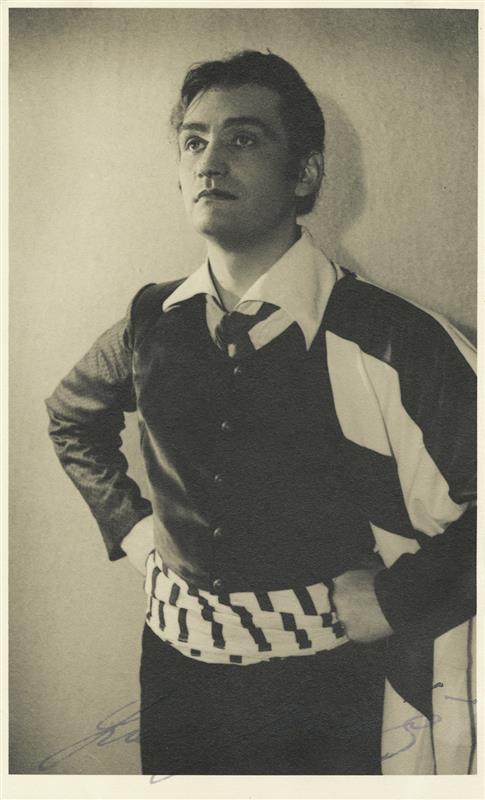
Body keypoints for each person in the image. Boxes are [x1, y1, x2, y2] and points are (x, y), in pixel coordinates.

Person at [45, 50, 476, 776]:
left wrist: (399, 597)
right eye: (194, 141)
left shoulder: (392, 335)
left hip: (330, 691)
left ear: (304, 173)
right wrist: (137, 532)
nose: (209, 161)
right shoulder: (151, 320)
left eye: (242, 138)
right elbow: (70, 418)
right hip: (177, 681)